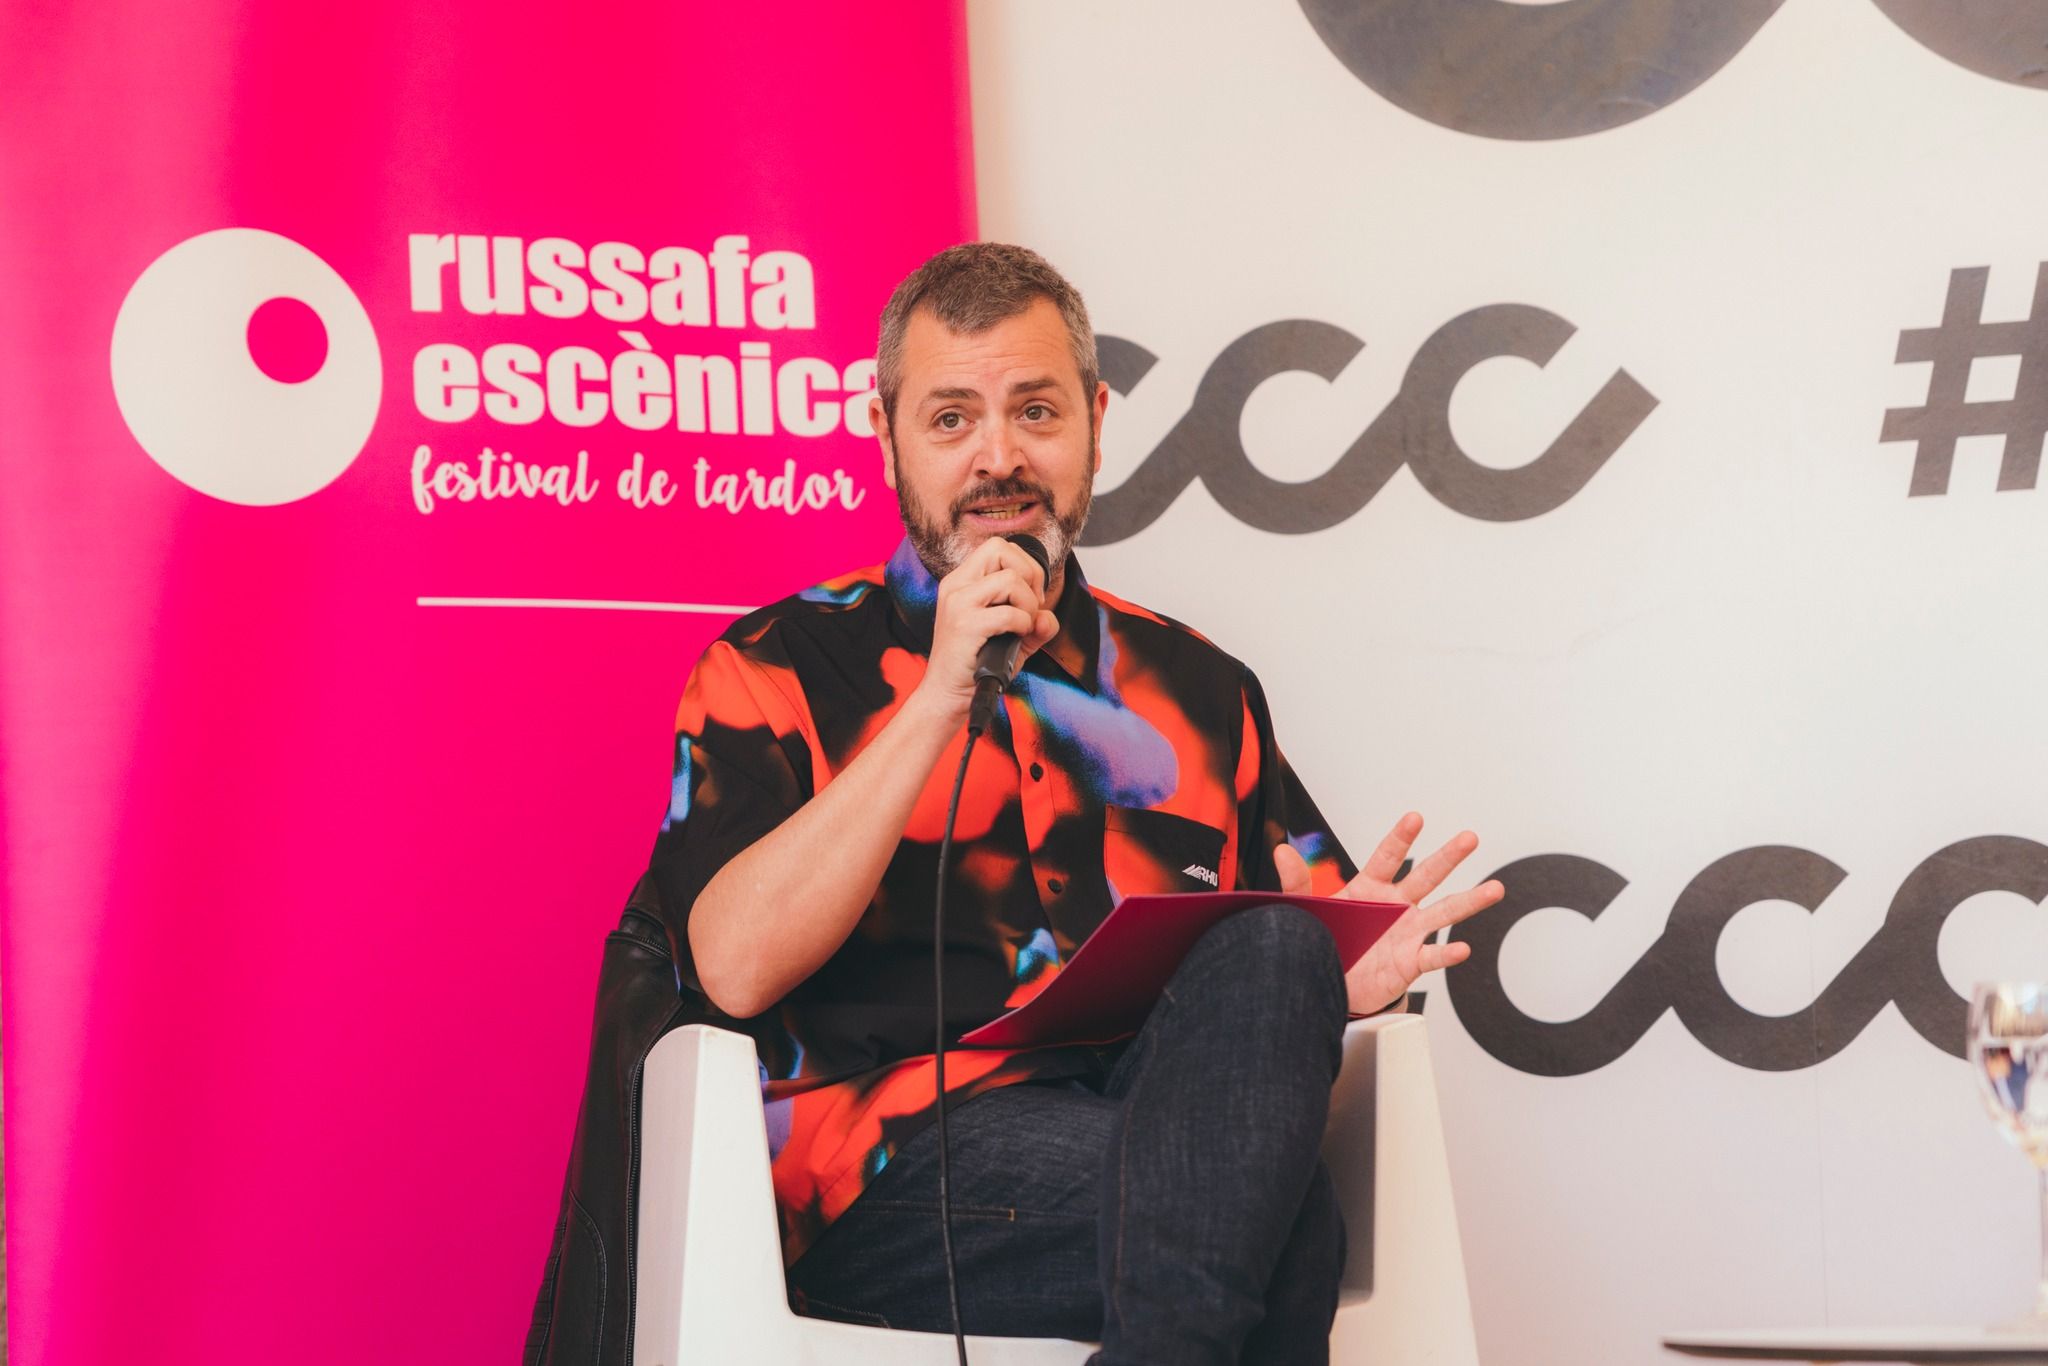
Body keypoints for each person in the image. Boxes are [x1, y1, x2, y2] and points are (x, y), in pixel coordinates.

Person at [524, 243, 1503, 1366]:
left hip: (1149, 1129)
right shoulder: (773, 667)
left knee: (1278, 955)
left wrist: (1343, 977)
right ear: (885, 433)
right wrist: (939, 698)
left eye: (1035, 411)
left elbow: (1266, 995)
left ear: (1094, 421)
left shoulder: (1201, 691)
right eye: (951, 419)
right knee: (1287, 1227)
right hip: (880, 1168)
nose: (999, 456)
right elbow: (735, 967)